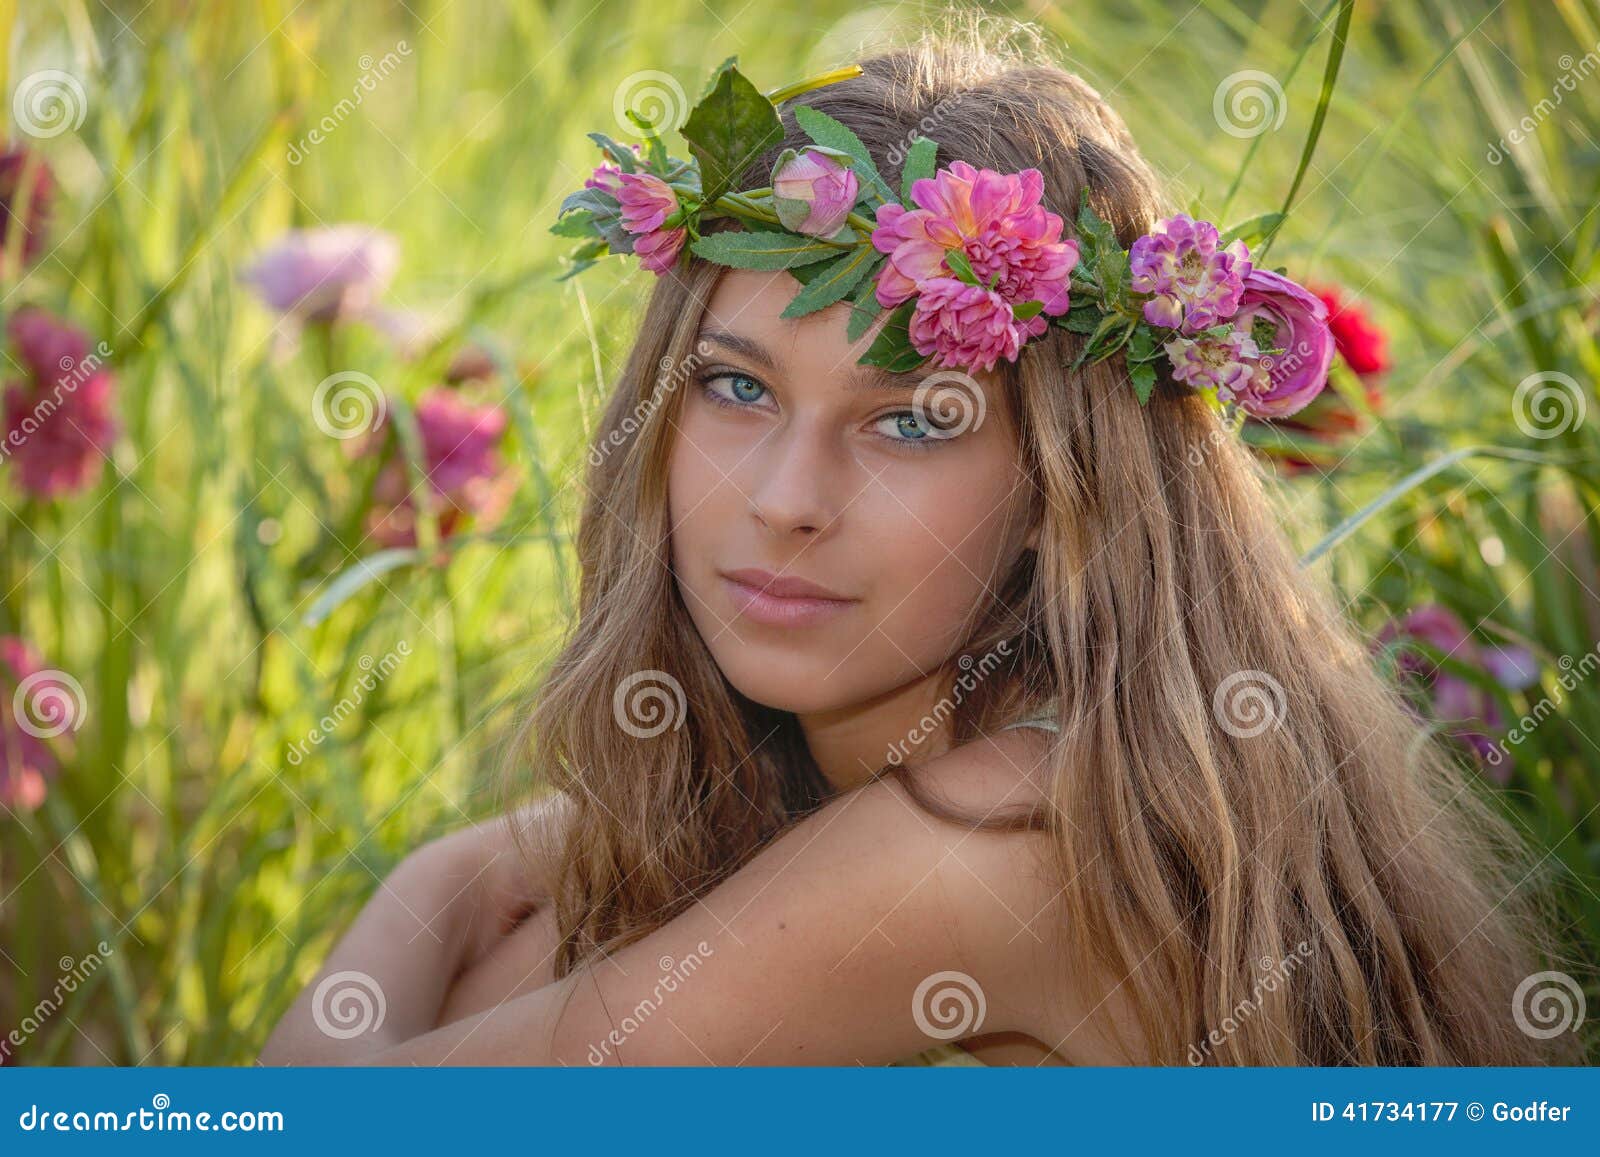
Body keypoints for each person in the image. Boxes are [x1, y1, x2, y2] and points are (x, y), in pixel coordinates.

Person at [260, 10, 1581, 1068]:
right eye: (737, 387)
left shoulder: (983, 854)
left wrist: (441, 873)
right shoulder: (1083, 761)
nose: (785, 497)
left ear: (1070, 486)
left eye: (913, 421)